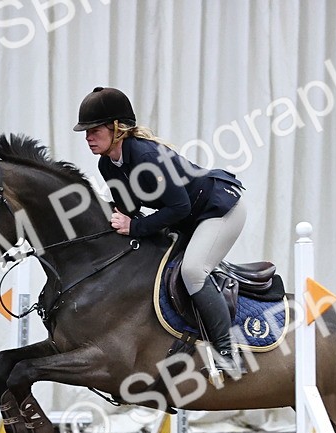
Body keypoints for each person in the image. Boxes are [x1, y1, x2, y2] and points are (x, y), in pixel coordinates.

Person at [74, 86, 246, 377]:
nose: (88, 137)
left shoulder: (145, 155)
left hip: (219, 209)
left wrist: (136, 226)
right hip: (188, 217)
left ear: (117, 128)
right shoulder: (107, 164)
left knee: (193, 271)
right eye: (85, 131)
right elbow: (127, 208)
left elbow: (177, 207)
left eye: (94, 129)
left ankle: (228, 350)